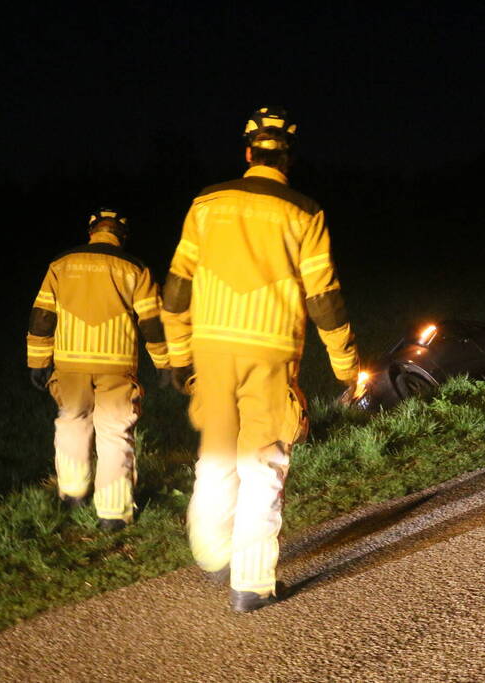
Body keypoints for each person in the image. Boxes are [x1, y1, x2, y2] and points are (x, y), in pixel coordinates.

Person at [161, 106, 360, 612]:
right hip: (268, 355)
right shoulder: (304, 213)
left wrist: (176, 356)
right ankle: (250, 584)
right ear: (287, 159)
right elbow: (324, 299)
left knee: (218, 452)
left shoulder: (206, 204)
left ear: (248, 153)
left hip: (212, 350)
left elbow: (178, 287)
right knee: (264, 464)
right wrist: (345, 366)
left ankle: (210, 549)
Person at [26, 208, 171, 530]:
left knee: (71, 423)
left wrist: (37, 361)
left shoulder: (61, 265)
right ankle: (113, 514)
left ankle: (73, 495)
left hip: (70, 365)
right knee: (115, 433)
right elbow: (152, 323)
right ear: (123, 235)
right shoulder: (136, 268)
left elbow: (42, 316)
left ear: (91, 231)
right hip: (116, 366)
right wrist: (164, 363)